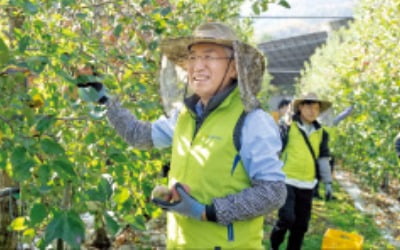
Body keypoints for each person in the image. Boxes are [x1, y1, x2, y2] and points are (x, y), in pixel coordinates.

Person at [77, 22, 286, 249]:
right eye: (193, 57)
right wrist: (104, 100)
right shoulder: (185, 117)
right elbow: (139, 135)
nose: (198, 66)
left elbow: (272, 192)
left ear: (234, 68)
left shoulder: (251, 121)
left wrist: (206, 211)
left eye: (209, 57)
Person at [270, 92, 333, 250]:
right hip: (286, 180)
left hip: (307, 184)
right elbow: (274, 150)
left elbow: (323, 159)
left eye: (317, 108)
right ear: (300, 107)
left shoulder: (321, 133)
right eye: (309, 106)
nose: (313, 111)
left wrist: (328, 183)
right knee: (287, 218)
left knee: (301, 225)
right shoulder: (288, 127)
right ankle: (274, 245)